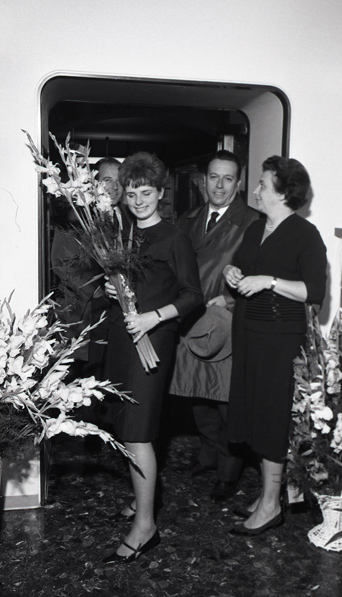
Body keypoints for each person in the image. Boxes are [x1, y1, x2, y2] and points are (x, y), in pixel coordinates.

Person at [102, 152, 203, 564]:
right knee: (126, 425)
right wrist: (113, 291)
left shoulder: (174, 237)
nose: (139, 200)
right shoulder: (124, 235)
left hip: (154, 338)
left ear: (161, 192)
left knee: (139, 432)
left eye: (146, 192)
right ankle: (141, 500)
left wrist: (152, 317)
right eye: (131, 194)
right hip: (124, 338)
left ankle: (146, 527)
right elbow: (129, 286)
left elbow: (193, 295)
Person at [224, 156, 327, 535]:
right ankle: (270, 494)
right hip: (249, 333)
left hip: (280, 339)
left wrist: (269, 281)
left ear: (283, 194)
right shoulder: (257, 228)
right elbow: (239, 265)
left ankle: (270, 506)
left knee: (271, 418)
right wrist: (230, 271)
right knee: (254, 412)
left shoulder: (305, 234)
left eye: (263, 185)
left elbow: (313, 291)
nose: (255, 190)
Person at [169, 150, 259, 501]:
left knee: (225, 400)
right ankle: (208, 453)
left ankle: (228, 470)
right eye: (213, 177)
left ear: (239, 183)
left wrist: (230, 301)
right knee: (197, 394)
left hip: (226, 323)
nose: (219, 185)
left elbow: (260, 274)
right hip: (192, 320)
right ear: (202, 180)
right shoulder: (188, 219)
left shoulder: (252, 222)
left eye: (228, 178)